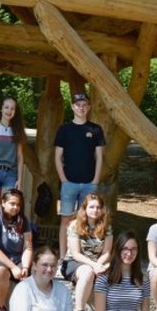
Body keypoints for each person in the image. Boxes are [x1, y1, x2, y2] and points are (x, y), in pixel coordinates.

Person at [54, 91, 105, 260]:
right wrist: (63, 180)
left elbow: (99, 157)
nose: (81, 108)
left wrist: (95, 180)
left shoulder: (95, 129)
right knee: (66, 220)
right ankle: (63, 257)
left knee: (88, 219)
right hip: (69, 183)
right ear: (72, 107)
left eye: (84, 105)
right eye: (78, 105)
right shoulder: (64, 129)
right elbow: (57, 156)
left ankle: (83, 256)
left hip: (89, 183)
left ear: (89, 107)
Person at [62, 192, 112, 311]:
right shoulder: (74, 225)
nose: (95, 210)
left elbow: (107, 252)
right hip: (75, 262)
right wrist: (94, 266)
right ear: (84, 209)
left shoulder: (106, 227)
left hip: (98, 262)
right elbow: (75, 253)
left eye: (98, 207)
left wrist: (99, 264)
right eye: (91, 207)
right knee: (88, 271)